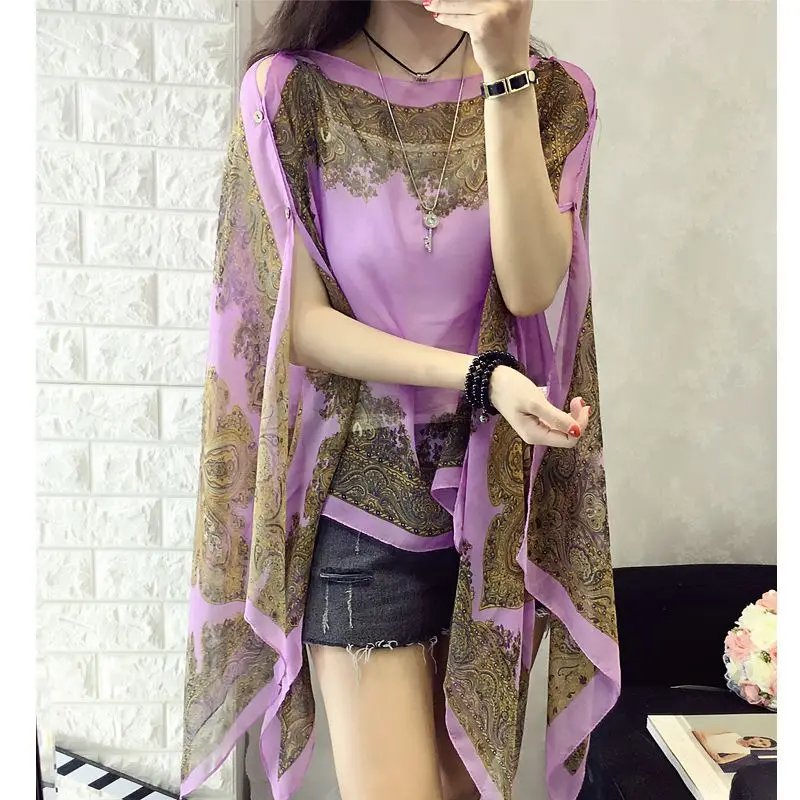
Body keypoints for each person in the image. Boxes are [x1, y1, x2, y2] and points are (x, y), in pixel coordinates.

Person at [180, 1, 620, 799]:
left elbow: (530, 286)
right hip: (359, 512)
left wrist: (504, 71)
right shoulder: (290, 93)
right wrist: (480, 376)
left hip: (491, 515)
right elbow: (298, 324)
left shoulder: (556, 95)